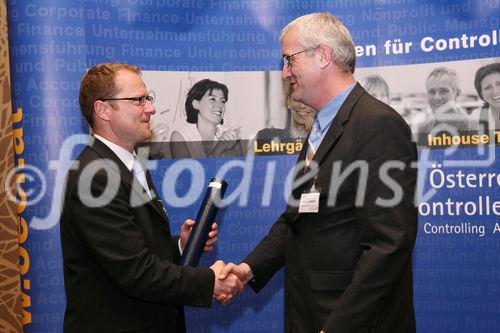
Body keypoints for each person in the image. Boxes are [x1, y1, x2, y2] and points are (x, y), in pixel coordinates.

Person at [219, 13, 418, 333]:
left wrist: (340, 326)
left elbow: (388, 245)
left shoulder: (378, 125)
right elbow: (296, 220)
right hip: (310, 314)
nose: (284, 73)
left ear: (323, 55)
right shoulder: (321, 128)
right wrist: (248, 269)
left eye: (288, 60)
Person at [60, 63, 242, 332]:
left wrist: (180, 245)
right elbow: (136, 272)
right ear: (103, 110)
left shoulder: (127, 163)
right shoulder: (94, 177)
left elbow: (131, 247)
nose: (151, 109)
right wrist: (209, 280)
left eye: (148, 99)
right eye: (137, 100)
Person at [170, 79, 244, 158]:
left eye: (223, 101)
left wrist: (230, 150)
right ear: (196, 104)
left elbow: (239, 169)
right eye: (212, 99)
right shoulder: (180, 137)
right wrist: (219, 149)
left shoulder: (232, 136)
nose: (220, 105)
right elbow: (187, 170)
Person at [415, 67, 471, 134]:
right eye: (432, 92)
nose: (437, 98)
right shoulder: (423, 128)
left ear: (457, 93)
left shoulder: (470, 126)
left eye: (443, 91)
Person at [470, 62, 500, 132]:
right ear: (482, 94)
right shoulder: (477, 115)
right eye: (487, 87)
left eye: (499, 84)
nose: (495, 91)